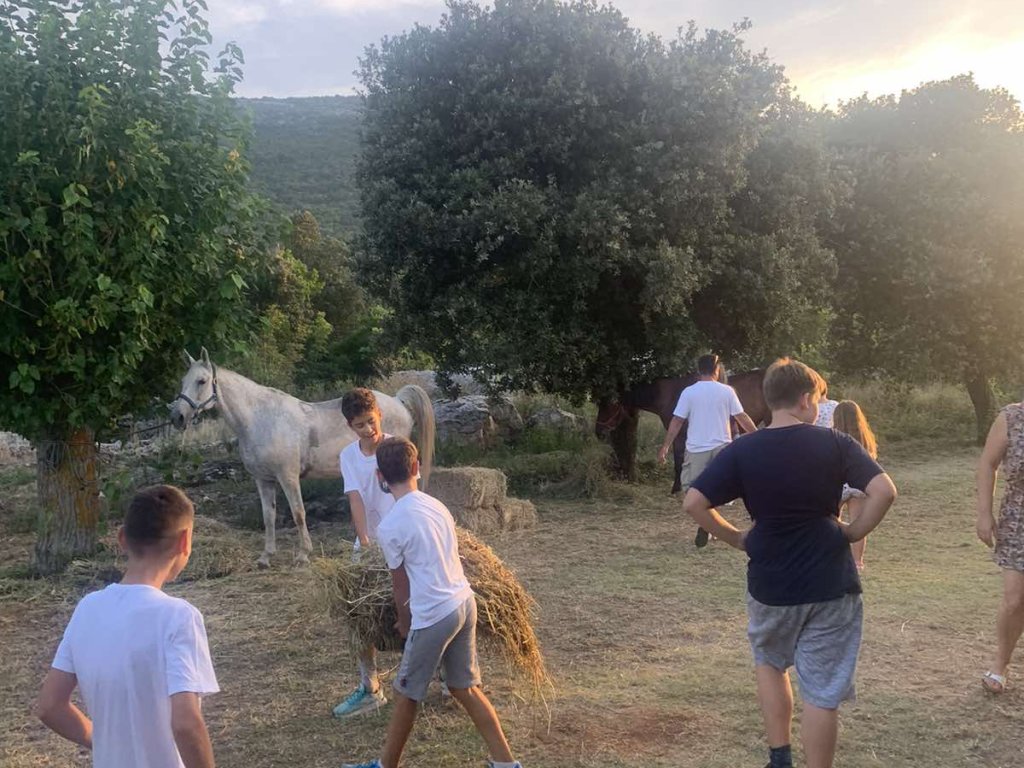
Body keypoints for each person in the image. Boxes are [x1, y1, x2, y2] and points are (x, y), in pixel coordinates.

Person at [683, 358, 897, 768]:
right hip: (832, 581)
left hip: (771, 581)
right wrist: (852, 533)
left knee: (770, 663)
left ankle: (779, 757)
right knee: (822, 690)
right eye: (817, 399)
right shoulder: (835, 443)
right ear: (804, 400)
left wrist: (738, 538)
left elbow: (694, 502)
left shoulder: (743, 448)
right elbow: (884, 491)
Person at [342, 437, 521, 768]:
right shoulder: (437, 506)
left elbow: (401, 585)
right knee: (464, 688)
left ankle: (384, 766)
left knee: (406, 693)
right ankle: (506, 764)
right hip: (464, 603)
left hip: (434, 615)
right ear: (416, 469)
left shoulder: (390, 526)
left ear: (380, 477)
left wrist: (405, 621)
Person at [36, 485, 219, 768]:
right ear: (184, 542)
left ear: (122, 538)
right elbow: (185, 724)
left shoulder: (88, 608)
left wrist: (107, 742)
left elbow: (50, 706)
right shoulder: (178, 617)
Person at [333, 388, 394, 718]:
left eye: (371, 422)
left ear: (379, 414)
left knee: (418, 607)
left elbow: (406, 493)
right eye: (360, 425)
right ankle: (370, 687)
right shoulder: (349, 456)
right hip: (369, 543)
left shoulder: (396, 447)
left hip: (400, 538)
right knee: (358, 615)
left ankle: (443, 672)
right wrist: (366, 544)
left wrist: (397, 539)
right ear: (349, 426)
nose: (368, 430)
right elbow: (355, 499)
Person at [658, 353, 758, 547]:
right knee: (719, 488)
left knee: (692, 489)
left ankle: (706, 524)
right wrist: (759, 435)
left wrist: (666, 446)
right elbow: (741, 416)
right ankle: (709, 525)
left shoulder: (689, 392)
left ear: (698, 371)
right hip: (723, 447)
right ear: (717, 370)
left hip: (697, 448)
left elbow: (677, 421)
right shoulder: (727, 391)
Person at [976, 399, 1024, 694]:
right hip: (1019, 519)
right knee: (1015, 600)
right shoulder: (1011, 417)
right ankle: (1001, 664)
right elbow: (987, 463)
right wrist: (984, 512)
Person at [832, 401, 879, 572]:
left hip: (838, 485)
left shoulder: (833, 437)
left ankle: (833, 555)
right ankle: (857, 562)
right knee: (858, 523)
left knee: (831, 520)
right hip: (858, 485)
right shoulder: (865, 437)